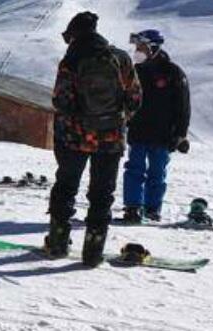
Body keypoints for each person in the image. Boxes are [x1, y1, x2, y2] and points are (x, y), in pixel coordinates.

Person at [45, 11, 141, 264]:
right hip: (110, 140)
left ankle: (57, 243)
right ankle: (93, 251)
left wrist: (74, 122)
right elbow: (135, 97)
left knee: (65, 188)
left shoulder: (71, 60)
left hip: (74, 139)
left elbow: (60, 100)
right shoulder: (120, 58)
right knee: (102, 194)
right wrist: (118, 119)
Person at [121, 29, 191, 224]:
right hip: (138, 131)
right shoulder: (135, 71)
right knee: (134, 169)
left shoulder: (173, 72)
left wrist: (180, 135)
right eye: (136, 47)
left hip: (163, 134)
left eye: (141, 47)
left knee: (157, 173)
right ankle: (133, 207)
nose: (137, 51)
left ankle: (152, 209)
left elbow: (183, 106)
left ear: (153, 47)